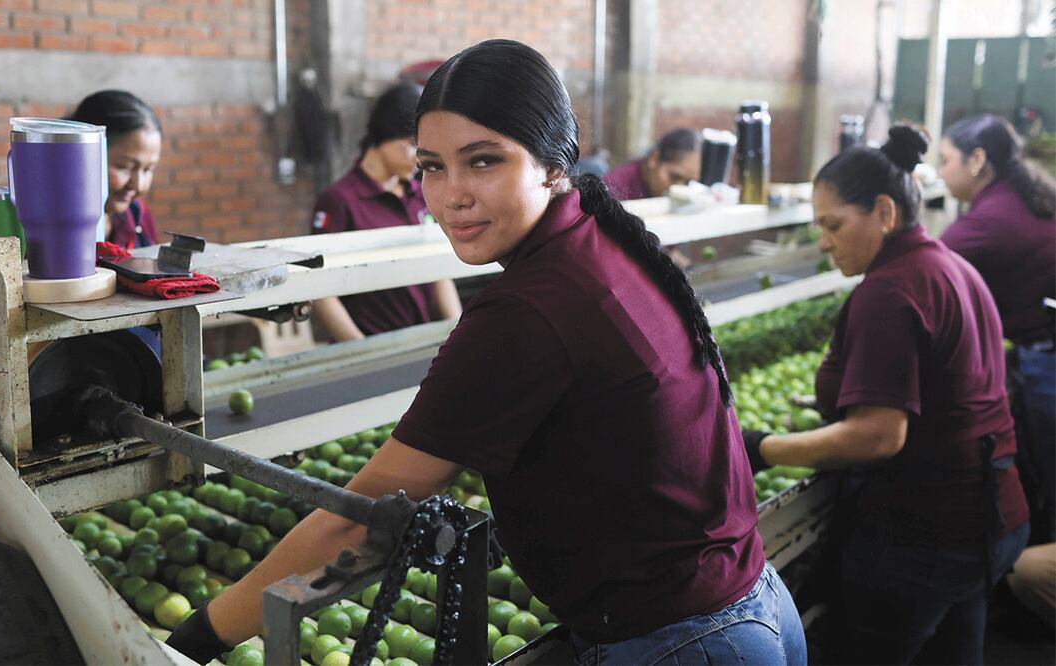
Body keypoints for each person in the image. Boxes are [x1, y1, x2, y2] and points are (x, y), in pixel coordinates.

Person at [168, 39, 806, 665]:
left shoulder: (526, 313)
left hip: (683, 644)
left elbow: (355, 518)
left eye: (483, 161)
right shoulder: (596, 241)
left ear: (553, 163)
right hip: (753, 604)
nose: (450, 197)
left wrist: (198, 637)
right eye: (431, 167)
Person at [743, 126, 1030, 664]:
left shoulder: (890, 290)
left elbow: (878, 436)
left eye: (833, 225)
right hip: (992, 514)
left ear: (883, 210)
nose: (824, 241)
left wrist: (762, 447)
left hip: (927, 535)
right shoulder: (951, 266)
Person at [938, 114, 1056, 542]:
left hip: (1043, 365)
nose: (940, 172)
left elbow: (925, 270)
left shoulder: (986, 221)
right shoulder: (1030, 196)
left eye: (946, 160)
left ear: (977, 160)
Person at [310, 82, 462, 341]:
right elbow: (318, 286)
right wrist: (361, 349)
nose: (420, 159)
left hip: (421, 342)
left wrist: (458, 334)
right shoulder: (340, 200)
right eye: (414, 145)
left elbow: (439, 272)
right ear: (386, 137)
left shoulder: (420, 193)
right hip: (366, 347)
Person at [71, 90, 162, 249]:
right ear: (83, 156)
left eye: (148, 170)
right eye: (125, 167)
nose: (139, 185)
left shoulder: (136, 214)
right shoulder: (47, 229)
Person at [603, 127, 701, 200]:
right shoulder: (612, 189)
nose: (678, 189)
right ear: (654, 158)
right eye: (674, 177)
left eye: (687, 183)